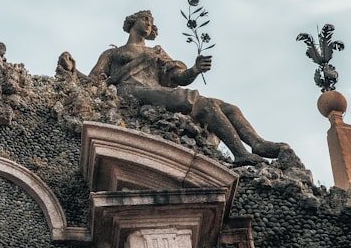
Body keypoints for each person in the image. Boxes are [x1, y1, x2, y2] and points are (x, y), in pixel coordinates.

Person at [89, 10, 285, 166]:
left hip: (154, 90)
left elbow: (177, 77)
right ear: (132, 22)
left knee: (227, 107)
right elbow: (92, 80)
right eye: (145, 18)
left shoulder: (157, 52)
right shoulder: (113, 53)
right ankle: (240, 154)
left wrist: (194, 70)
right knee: (200, 103)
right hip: (131, 90)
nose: (149, 23)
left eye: (151, 21)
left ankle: (257, 143)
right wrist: (70, 69)